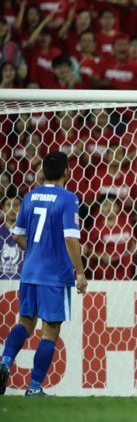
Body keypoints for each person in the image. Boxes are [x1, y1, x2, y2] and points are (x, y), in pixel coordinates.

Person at [0, 152, 88, 397]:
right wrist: (80, 273)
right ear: (66, 172)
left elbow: (17, 234)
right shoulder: (68, 198)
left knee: (25, 323)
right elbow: (70, 238)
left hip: (29, 271)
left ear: (43, 173)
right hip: (54, 275)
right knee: (50, 329)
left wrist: (36, 252)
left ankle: (4, 362)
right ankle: (34, 387)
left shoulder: (29, 196)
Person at [0, 194, 23, 280]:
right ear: (3, 209)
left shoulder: (28, 234)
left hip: (21, 283)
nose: (12, 209)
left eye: (16, 205)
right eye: (8, 205)